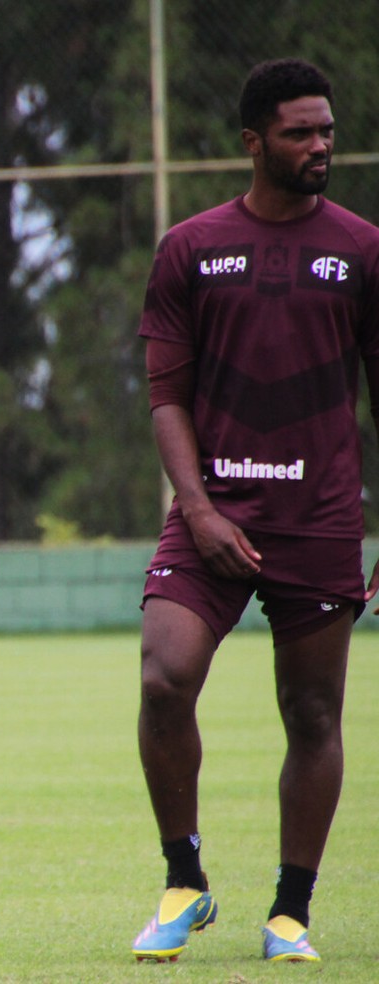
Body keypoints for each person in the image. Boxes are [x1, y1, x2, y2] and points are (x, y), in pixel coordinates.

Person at [130, 59, 379, 964]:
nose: (320, 146)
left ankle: (289, 912)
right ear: (253, 141)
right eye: (300, 132)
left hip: (318, 522)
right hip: (212, 511)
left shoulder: (362, 248)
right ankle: (185, 880)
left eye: (326, 131)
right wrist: (194, 509)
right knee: (165, 678)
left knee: (313, 715)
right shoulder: (190, 248)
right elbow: (166, 397)